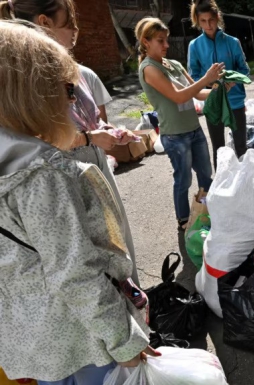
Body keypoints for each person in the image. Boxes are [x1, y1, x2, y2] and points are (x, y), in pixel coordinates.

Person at [0, 20, 159, 385]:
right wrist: (124, 341)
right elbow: (75, 272)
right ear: (34, 94)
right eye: (67, 89)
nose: (72, 100)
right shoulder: (41, 172)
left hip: (31, 344)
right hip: (81, 341)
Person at [0, 0, 141, 284]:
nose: (76, 30)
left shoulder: (79, 72)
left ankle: (137, 304)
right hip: (71, 172)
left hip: (92, 164)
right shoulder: (29, 85)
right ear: (44, 22)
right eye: (69, 23)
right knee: (97, 258)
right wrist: (90, 138)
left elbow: (91, 120)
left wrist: (106, 132)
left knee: (117, 242)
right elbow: (42, 139)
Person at [136, 17, 228, 230]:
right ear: (146, 41)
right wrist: (206, 79)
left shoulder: (174, 64)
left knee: (206, 174)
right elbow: (178, 96)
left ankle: (206, 212)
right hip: (175, 135)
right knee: (183, 180)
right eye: (161, 40)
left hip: (194, 130)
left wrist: (219, 88)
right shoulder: (149, 69)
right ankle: (184, 221)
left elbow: (197, 94)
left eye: (166, 40)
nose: (167, 45)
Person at [188, 0, 250, 167]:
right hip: (213, 103)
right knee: (218, 149)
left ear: (218, 18)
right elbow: (193, 77)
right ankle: (221, 189)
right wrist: (209, 83)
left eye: (211, 20)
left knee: (241, 147)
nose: (208, 25)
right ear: (197, 21)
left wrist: (232, 82)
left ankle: (244, 186)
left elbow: (244, 70)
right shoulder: (194, 46)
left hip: (235, 102)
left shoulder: (232, 42)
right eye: (203, 21)